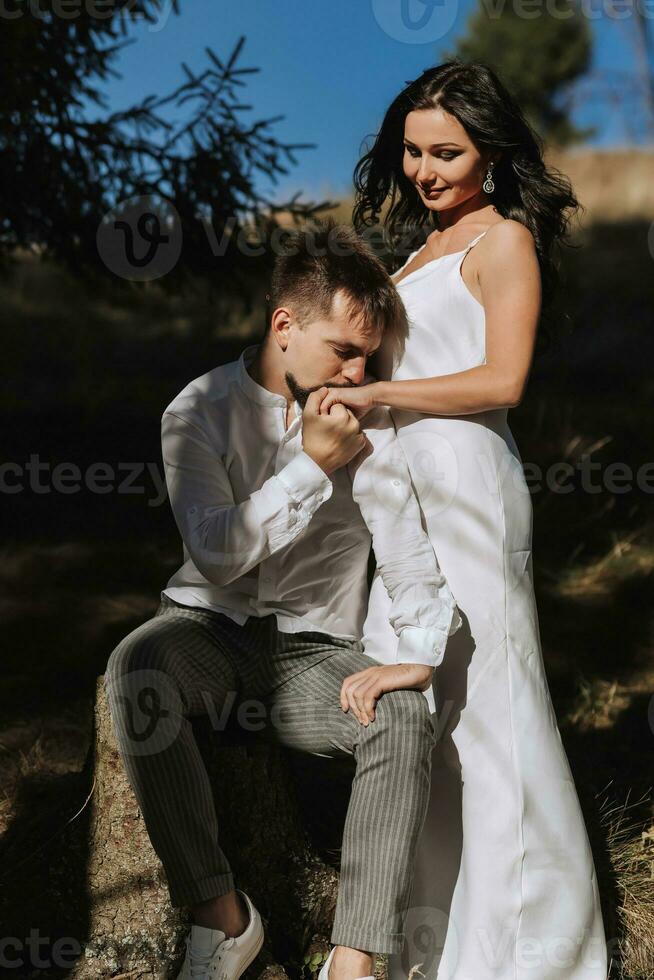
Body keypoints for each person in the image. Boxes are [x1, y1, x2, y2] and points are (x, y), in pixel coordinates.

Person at [104, 220, 461, 980]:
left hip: (312, 653)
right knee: (137, 669)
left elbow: (408, 559)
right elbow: (219, 552)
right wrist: (309, 467)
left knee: (401, 715)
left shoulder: (370, 421)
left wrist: (420, 657)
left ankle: (354, 960)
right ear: (284, 325)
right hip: (204, 628)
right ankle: (221, 917)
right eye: (343, 351)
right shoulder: (197, 409)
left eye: (369, 356)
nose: (356, 372)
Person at [317, 63, 609, 980]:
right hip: (405, 491)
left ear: (492, 152)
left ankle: (537, 953)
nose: (425, 170)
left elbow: (502, 382)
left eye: (447, 152)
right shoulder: (413, 256)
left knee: (493, 709)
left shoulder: (504, 240)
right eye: (412, 150)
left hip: (471, 482)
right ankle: (438, 948)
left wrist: (386, 396)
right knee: (426, 717)